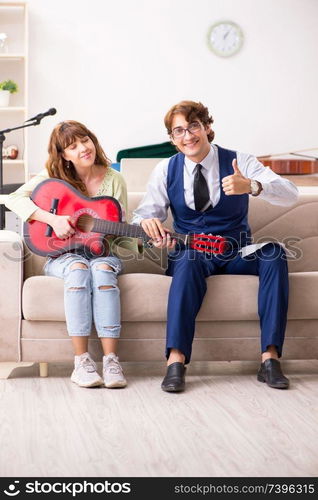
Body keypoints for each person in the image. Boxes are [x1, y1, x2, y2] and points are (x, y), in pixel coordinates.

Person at [132, 100, 299, 392]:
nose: (188, 136)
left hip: (236, 251)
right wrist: (147, 224)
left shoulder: (241, 161)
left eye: (194, 126)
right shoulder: (165, 170)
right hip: (192, 253)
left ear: (207, 127)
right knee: (187, 260)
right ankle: (175, 361)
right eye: (179, 131)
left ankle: (269, 359)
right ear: (172, 139)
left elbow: (290, 194)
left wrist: (253, 186)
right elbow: (146, 214)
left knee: (274, 253)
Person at [6, 120, 139, 389]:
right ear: (63, 155)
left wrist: (146, 242)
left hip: (103, 254)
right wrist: (52, 220)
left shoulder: (115, 180)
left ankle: (111, 360)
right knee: (78, 267)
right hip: (62, 256)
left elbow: (121, 234)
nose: (82, 149)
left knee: (101, 270)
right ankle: (81, 362)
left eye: (85, 140)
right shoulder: (54, 178)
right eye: (72, 146)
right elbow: (14, 199)